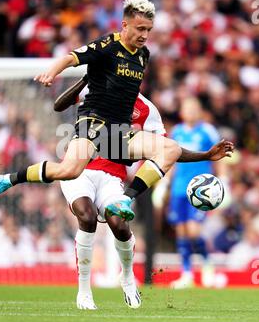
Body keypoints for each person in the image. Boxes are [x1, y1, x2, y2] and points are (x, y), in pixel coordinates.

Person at [0, 0, 183, 222]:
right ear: (125, 25)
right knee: (69, 171)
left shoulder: (143, 55)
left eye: (148, 29)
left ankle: (124, 200)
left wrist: (206, 156)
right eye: (140, 29)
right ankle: (9, 179)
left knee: (171, 149)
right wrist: (52, 71)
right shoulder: (108, 45)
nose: (145, 35)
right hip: (94, 122)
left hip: (119, 133)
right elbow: (70, 58)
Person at [57, 79, 233, 309]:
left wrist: (205, 156)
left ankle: (127, 277)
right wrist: (86, 79)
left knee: (119, 224)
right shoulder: (97, 91)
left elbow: (167, 151)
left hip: (112, 175)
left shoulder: (148, 111)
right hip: (78, 168)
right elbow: (59, 105)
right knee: (87, 217)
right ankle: (84, 291)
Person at [165, 97, 226, 289]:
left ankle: (207, 267)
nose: (190, 111)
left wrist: (224, 181)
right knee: (181, 231)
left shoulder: (207, 130)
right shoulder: (177, 132)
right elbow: (172, 159)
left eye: (193, 107)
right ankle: (187, 273)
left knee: (193, 230)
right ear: (182, 111)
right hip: (178, 189)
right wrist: (165, 183)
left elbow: (221, 155)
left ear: (199, 111)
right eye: (187, 107)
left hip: (201, 191)